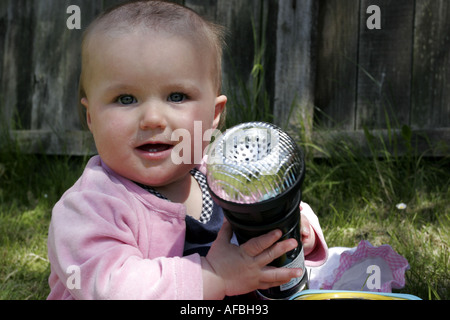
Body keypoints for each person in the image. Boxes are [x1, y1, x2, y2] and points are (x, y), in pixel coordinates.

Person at [47, 0, 327, 300]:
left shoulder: (221, 175)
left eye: (177, 96)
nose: (153, 119)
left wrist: (295, 231)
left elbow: (267, 202)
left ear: (214, 113)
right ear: (92, 118)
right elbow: (114, 288)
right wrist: (213, 276)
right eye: (126, 99)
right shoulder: (89, 208)